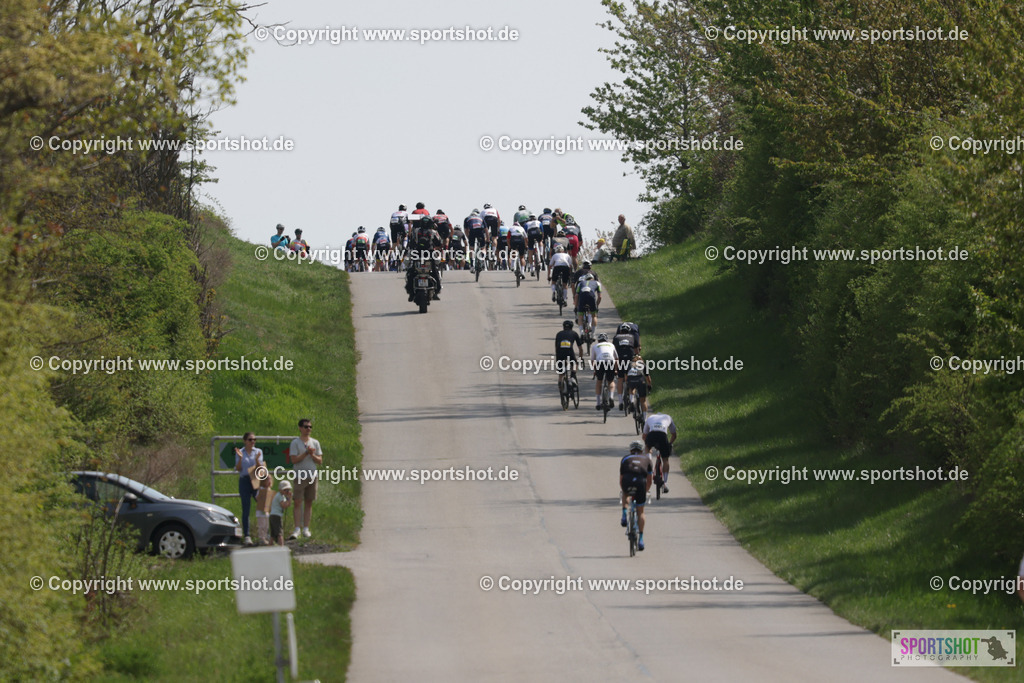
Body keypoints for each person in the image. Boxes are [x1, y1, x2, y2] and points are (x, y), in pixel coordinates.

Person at [288, 418, 322, 539]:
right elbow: (294, 460)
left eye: (310, 427)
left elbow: (320, 461)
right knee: (297, 501)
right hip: (299, 476)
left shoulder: (315, 442)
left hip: (312, 476)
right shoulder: (295, 443)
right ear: (300, 428)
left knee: (309, 502)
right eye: (306, 427)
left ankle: (306, 528)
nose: (308, 429)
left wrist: (312, 454)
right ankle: (297, 528)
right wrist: (306, 453)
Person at [620, 440, 653, 551]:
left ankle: (624, 513)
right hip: (640, 483)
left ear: (630, 450)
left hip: (627, 481)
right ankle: (641, 539)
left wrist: (624, 491)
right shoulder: (647, 459)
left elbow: (621, 480)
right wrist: (645, 491)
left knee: (625, 493)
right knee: (641, 512)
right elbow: (649, 481)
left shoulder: (625, 458)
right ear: (641, 450)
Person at [234, 432, 266, 546]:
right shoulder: (240, 452)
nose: (253, 442)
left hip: (255, 479)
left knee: (263, 506)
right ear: (245, 441)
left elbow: (260, 468)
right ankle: (247, 535)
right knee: (246, 508)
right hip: (244, 480)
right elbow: (238, 469)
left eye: (254, 440)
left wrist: (257, 460)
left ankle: (263, 535)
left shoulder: (258, 452)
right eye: (250, 440)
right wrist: (240, 459)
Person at [405, 215, 443, 300]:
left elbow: (411, 242)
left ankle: (411, 293)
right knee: (435, 271)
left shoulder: (416, 231)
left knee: (411, 271)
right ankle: (436, 292)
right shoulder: (433, 232)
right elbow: (439, 242)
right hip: (430, 253)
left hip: (417, 253)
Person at [643, 409, 677, 494]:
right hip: (662, 436)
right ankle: (665, 483)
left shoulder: (650, 417)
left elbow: (644, 436)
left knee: (647, 448)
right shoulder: (668, 417)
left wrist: (648, 447)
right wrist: (669, 444)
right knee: (665, 460)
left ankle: (649, 462)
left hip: (652, 435)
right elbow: (674, 435)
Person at [612, 322, 639, 410]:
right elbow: (636, 350)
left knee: (620, 379)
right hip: (629, 359)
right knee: (631, 379)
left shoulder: (616, 338)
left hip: (620, 360)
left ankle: (620, 402)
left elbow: (614, 350)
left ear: (620, 331)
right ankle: (631, 400)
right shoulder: (632, 337)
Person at [590, 332, 618, 409]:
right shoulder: (611, 345)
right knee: (611, 381)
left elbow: (593, 361)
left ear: (598, 341)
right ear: (607, 341)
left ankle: (598, 403)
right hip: (610, 361)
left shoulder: (595, 346)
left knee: (599, 381)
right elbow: (616, 359)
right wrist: (616, 370)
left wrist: (595, 370)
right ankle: (611, 397)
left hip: (600, 362)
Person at [555, 319, 583, 385]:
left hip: (559, 352)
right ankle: (572, 377)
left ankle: (560, 384)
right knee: (574, 363)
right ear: (572, 327)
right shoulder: (574, 333)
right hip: (569, 351)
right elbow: (580, 349)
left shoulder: (558, 334)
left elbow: (556, 347)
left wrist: (558, 358)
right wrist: (580, 358)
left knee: (561, 373)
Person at [269, 480, 292, 546]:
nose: (287, 492)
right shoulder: (279, 496)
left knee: (273, 534)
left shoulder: (281, 496)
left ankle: (269, 547)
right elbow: (284, 505)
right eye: (285, 490)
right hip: (276, 516)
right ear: (280, 490)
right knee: (280, 533)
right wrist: (289, 499)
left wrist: (288, 499)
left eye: (288, 490)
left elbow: (287, 504)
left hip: (273, 515)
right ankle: (281, 546)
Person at [255, 470, 274, 545]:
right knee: (261, 525)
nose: (268, 482)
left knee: (266, 525)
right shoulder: (260, 490)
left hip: (266, 511)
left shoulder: (269, 490)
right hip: (260, 511)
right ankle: (261, 538)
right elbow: (257, 498)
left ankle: (266, 537)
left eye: (269, 480)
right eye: (267, 480)